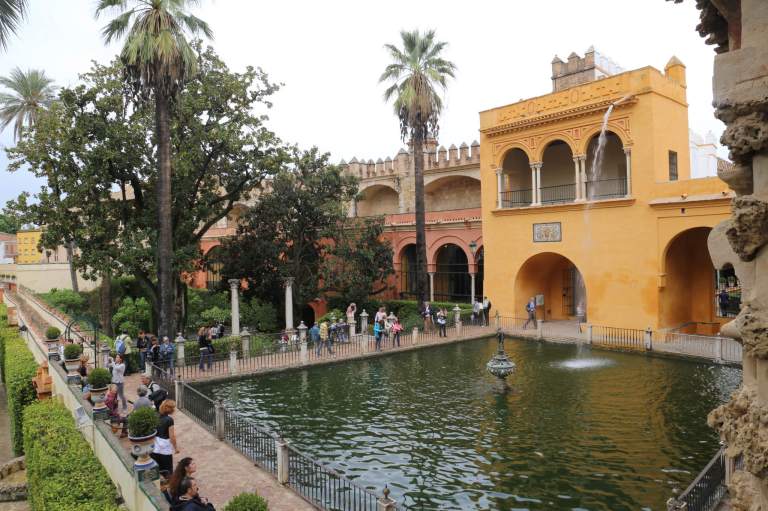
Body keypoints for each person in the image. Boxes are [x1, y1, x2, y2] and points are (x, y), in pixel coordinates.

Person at [152, 399, 179, 474]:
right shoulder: (169, 420)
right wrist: (176, 448)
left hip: (155, 446)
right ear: (169, 408)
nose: (174, 409)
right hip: (165, 447)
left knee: (158, 468)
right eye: (173, 408)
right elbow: (172, 436)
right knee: (168, 470)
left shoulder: (155, 415)